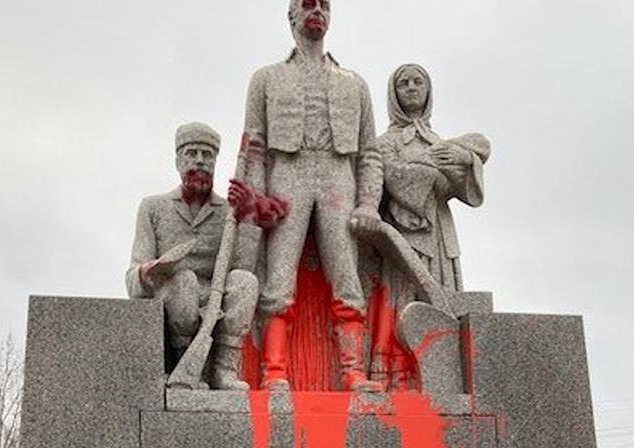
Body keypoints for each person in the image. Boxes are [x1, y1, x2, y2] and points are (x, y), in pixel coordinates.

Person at [230, 0, 383, 393]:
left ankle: (352, 371)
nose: (317, 10)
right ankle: (274, 370)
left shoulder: (354, 83)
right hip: (287, 175)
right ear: (292, 16)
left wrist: (367, 202)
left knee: (346, 274)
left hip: (337, 177)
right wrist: (254, 199)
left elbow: (369, 152)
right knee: (279, 275)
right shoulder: (266, 78)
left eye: (325, 5)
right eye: (307, 4)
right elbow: (255, 145)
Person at [126, 123, 261, 389]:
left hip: (215, 294)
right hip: (172, 295)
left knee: (246, 281)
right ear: (178, 160)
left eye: (207, 155)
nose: (200, 160)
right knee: (185, 280)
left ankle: (224, 371)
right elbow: (132, 277)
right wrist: (148, 272)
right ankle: (184, 369)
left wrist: (247, 217)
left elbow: (243, 266)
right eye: (191, 153)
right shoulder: (153, 207)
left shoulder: (228, 211)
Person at [377, 62, 489, 292]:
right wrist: (432, 167)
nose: (411, 87)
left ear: (428, 91)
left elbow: (455, 185)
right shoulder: (385, 142)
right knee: (405, 294)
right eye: (403, 83)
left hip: (439, 229)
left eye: (418, 82)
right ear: (393, 93)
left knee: (445, 294)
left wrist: (466, 158)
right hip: (402, 229)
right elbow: (392, 175)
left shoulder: (438, 141)